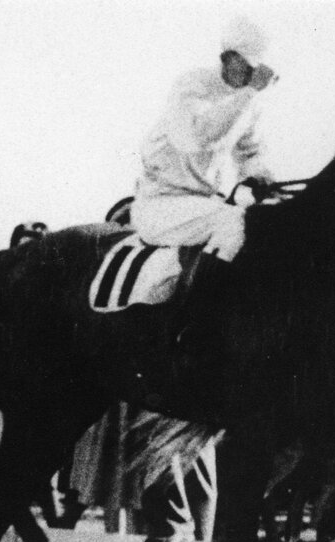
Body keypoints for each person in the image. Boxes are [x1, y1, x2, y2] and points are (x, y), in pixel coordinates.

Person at [131, 14, 276, 318]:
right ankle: (198, 320)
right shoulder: (192, 85)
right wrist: (249, 94)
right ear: (228, 57)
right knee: (232, 221)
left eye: (256, 71)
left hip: (203, 205)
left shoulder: (249, 103)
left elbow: (250, 153)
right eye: (247, 67)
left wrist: (261, 179)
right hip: (161, 205)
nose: (251, 76)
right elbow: (197, 137)